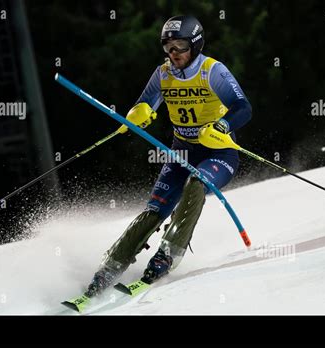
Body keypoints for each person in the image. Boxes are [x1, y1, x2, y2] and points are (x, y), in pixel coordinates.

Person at [86, 15, 252, 296]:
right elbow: (144, 103)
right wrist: (138, 114)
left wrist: (222, 125)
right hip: (181, 151)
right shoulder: (163, 74)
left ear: (196, 46)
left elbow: (243, 107)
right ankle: (111, 265)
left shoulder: (213, 71)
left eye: (180, 46)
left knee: (196, 184)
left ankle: (168, 254)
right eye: (168, 47)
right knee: (155, 209)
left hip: (219, 152)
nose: (174, 54)